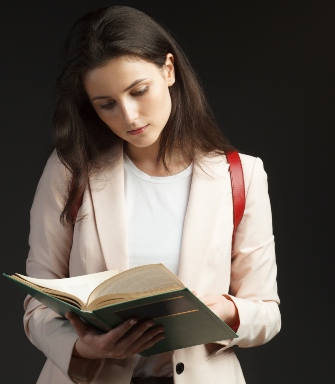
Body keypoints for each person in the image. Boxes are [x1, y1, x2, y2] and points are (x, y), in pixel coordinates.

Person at [22, 5, 281, 384]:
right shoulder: (71, 171)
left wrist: (223, 311)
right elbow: (36, 306)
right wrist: (83, 348)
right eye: (106, 104)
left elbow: (267, 314)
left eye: (139, 91)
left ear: (169, 70)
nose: (128, 116)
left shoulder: (240, 175)